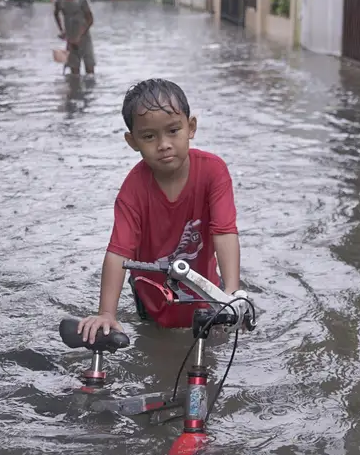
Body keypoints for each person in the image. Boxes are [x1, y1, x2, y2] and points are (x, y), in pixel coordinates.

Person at [77, 79, 247, 343]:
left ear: (191, 127)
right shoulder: (132, 190)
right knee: (154, 349)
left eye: (173, 130)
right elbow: (118, 251)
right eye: (149, 136)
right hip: (152, 303)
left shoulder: (214, 172)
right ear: (132, 141)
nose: (163, 144)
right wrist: (107, 313)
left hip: (206, 298)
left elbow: (224, 232)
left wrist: (233, 294)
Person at [53, 0, 95, 75]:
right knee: (74, 73)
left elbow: (90, 20)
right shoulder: (59, 1)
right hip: (71, 42)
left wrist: (79, 36)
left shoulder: (82, 0)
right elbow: (55, 14)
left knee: (90, 71)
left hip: (85, 40)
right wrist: (62, 30)